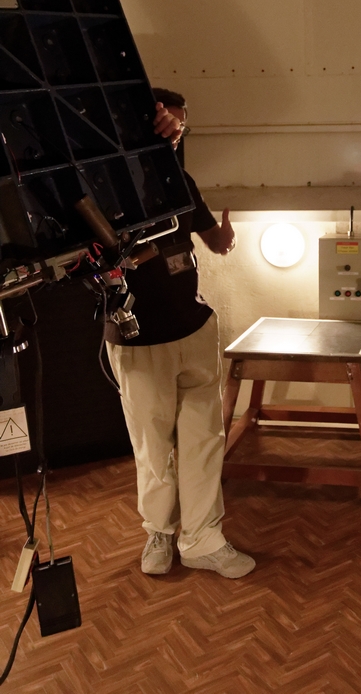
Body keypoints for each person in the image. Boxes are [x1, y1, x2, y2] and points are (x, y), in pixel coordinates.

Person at [106, 88, 255, 579]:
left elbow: (213, 240)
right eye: (168, 123)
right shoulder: (107, 186)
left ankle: (202, 540)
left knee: (203, 441)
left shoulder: (179, 179)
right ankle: (159, 532)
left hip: (193, 329)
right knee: (152, 447)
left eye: (181, 126)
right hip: (138, 340)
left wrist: (226, 239)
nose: (175, 134)